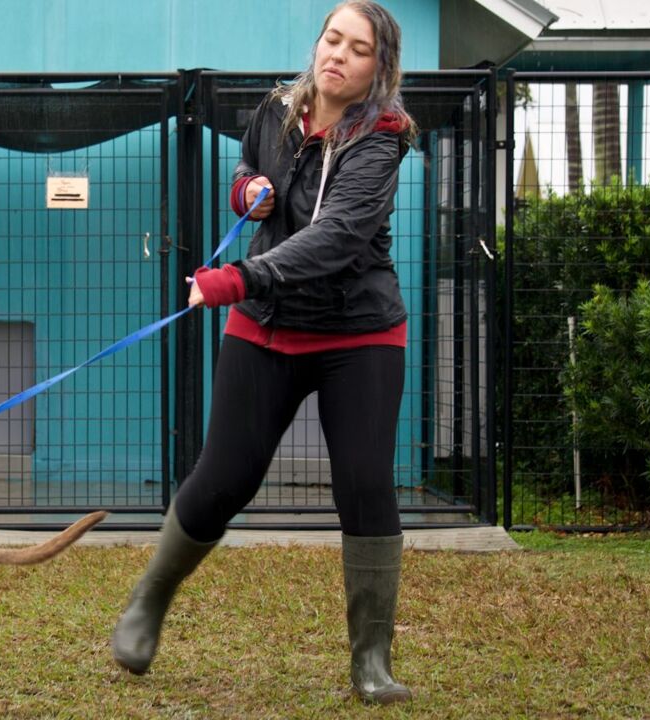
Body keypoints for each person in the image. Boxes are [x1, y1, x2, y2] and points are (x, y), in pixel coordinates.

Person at [111, 0, 417, 705]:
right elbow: (251, 170)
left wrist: (240, 275)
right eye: (332, 38)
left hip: (359, 332)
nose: (338, 54)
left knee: (365, 484)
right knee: (225, 480)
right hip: (268, 326)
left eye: (358, 48)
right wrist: (247, 188)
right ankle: (148, 601)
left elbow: (339, 235)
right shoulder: (277, 108)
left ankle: (372, 661)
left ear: (379, 67)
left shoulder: (382, 138)